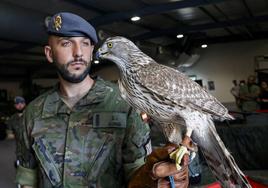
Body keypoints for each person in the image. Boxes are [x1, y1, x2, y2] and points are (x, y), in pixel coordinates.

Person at [15, 12, 190, 188]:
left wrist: (153, 177)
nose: (78, 53)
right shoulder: (33, 113)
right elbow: (27, 180)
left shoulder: (125, 103)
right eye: (66, 43)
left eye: (85, 43)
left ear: (92, 51)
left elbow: (137, 172)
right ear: (49, 53)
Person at [5, 96, 26, 163]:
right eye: (17, 104)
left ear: (25, 104)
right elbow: (9, 134)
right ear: (14, 106)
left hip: (31, 146)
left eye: (21, 103)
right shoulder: (12, 119)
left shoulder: (30, 116)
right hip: (19, 147)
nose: (20, 105)